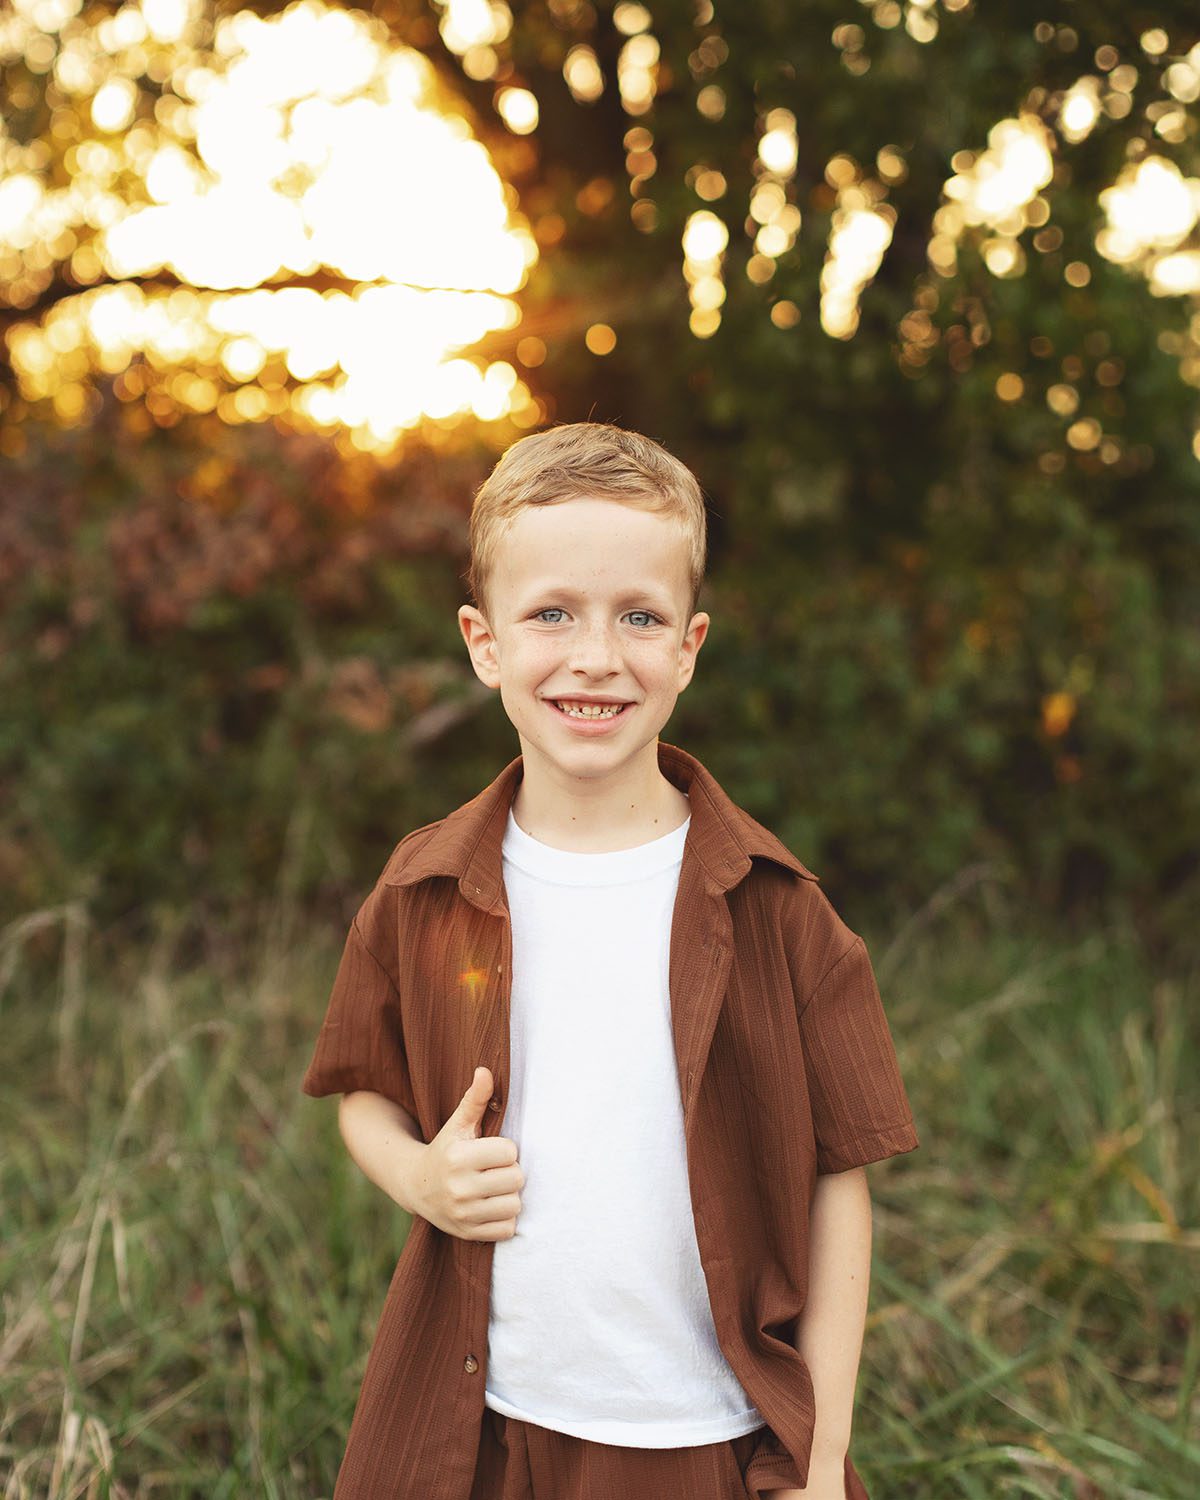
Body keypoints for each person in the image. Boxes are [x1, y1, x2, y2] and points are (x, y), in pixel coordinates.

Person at [301, 421, 921, 1500]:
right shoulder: (422, 891)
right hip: (485, 1429)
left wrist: (819, 1463)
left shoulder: (780, 912)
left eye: (639, 616)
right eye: (551, 614)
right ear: (484, 641)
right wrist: (420, 1178)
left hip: (708, 1436)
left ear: (689, 646)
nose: (596, 656)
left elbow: (839, 1184)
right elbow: (363, 1092)